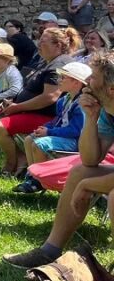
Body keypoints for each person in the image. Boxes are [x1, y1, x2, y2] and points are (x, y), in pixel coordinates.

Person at [2, 50, 114, 269]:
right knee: (80, 171)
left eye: (92, 78)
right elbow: (90, 159)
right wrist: (90, 119)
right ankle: (49, 251)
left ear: (111, 89)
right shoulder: (107, 111)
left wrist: (88, 185)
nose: (86, 83)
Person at [0, 27, 78, 177]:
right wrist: (12, 102)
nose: (38, 45)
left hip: (47, 117)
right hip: (27, 110)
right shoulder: (46, 61)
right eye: (39, 41)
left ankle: (11, 164)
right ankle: (20, 157)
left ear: (58, 45)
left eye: (43, 42)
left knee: (0, 126)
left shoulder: (59, 64)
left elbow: (50, 97)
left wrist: (17, 107)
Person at [13, 61, 91, 194]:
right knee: (29, 139)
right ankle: (32, 176)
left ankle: (41, 180)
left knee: (39, 144)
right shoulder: (64, 99)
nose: (59, 80)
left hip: (76, 142)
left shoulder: (81, 105)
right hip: (64, 137)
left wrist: (49, 132)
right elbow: (58, 120)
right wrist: (44, 128)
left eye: (63, 77)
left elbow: (76, 131)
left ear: (76, 83)